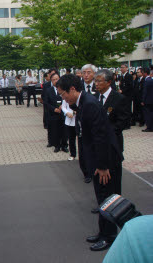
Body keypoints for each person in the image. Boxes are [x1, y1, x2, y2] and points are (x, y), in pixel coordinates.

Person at [57, 74, 123, 252]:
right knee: (102, 198)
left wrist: (102, 166)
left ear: (72, 89)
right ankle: (103, 232)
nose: (62, 98)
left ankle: (109, 236)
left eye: (63, 94)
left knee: (108, 199)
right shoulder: (83, 102)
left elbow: (100, 137)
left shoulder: (90, 104)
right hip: (99, 159)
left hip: (106, 162)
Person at [94, 69, 130, 195]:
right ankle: (102, 203)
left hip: (113, 145)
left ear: (109, 82)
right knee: (100, 177)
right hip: (98, 145)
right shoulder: (95, 98)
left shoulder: (119, 98)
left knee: (113, 178)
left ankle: (115, 205)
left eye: (99, 81)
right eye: (95, 81)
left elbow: (123, 122)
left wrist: (105, 132)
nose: (96, 84)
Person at [78, 64, 97, 183]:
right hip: (81, 123)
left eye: (89, 72)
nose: (86, 75)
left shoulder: (99, 85)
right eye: (84, 72)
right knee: (83, 148)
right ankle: (86, 172)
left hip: (95, 123)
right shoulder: (78, 86)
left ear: (94, 73)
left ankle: (96, 168)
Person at [44, 73, 68, 153]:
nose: (55, 81)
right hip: (53, 114)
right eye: (53, 79)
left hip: (63, 114)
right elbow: (46, 103)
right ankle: (57, 146)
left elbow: (68, 99)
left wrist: (63, 107)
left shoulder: (64, 89)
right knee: (55, 131)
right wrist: (54, 109)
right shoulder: (49, 90)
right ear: (51, 81)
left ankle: (64, 146)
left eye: (57, 79)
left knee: (64, 131)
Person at [119, 64, 134, 130]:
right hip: (123, 96)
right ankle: (124, 123)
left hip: (127, 95)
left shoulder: (129, 76)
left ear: (126, 68)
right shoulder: (122, 76)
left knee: (127, 110)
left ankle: (127, 124)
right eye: (121, 67)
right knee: (123, 110)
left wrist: (122, 90)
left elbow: (129, 86)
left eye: (123, 67)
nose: (121, 69)